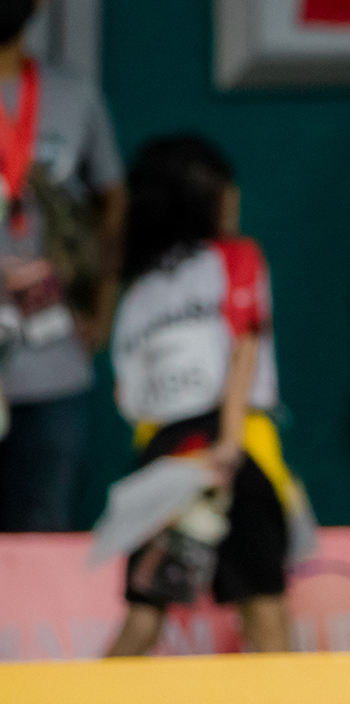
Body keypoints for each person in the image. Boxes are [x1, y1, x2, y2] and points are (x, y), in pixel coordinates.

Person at [105, 136, 301, 656]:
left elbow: (128, 395)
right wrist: (230, 442)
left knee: (142, 621)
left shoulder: (138, 289)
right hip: (231, 448)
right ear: (207, 198)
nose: (235, 196)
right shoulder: (237, 256)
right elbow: (244, 344)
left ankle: (76, 699)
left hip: (164, 455)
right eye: (225, 187)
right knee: (268, 621)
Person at [0, 0, 127, 531]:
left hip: (52, 363)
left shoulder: (74, 98)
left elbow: (112, 201)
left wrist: (103, 302)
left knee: (43, 530)